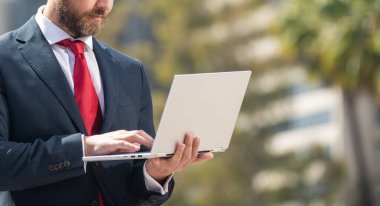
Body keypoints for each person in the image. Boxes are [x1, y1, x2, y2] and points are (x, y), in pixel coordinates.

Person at [0, 0, 213, 205]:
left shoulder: (130, 70)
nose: (105, 5)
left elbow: (135, 186)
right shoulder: (4, 58)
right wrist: (85, 148)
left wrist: (156, 173)